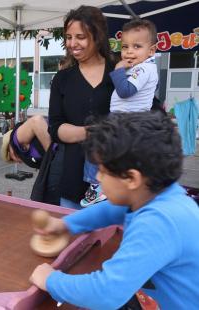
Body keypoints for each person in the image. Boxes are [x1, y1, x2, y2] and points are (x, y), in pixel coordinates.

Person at [29, 111, 199, 309]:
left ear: (132, 179)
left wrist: (51, 281)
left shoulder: (158, 223)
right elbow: (112, 211)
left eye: (102, 171)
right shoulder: (157, 194)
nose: (98, 179)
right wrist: (65, 224)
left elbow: (106, 293)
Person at [80, 19, 159, 208]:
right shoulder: (141, 67)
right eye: (125, 47)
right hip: (125, 119)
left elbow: (126, 91)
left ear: (152, 50)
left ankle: (96, 185)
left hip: (127, 120)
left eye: (137, 46)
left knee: (96, 145)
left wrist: (117, 71)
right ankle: (105, 184)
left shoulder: (144, 68)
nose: (129, 51)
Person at [48, 6, 114, 209]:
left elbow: (151, 111)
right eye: (68, 37)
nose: (72, 44)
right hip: (73, 182)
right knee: (74, 239)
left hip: (116, 184)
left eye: (80, 37)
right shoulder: (63, 79)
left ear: (98, 36)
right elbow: (55, 128)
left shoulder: (120, 72)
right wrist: (92, 132)